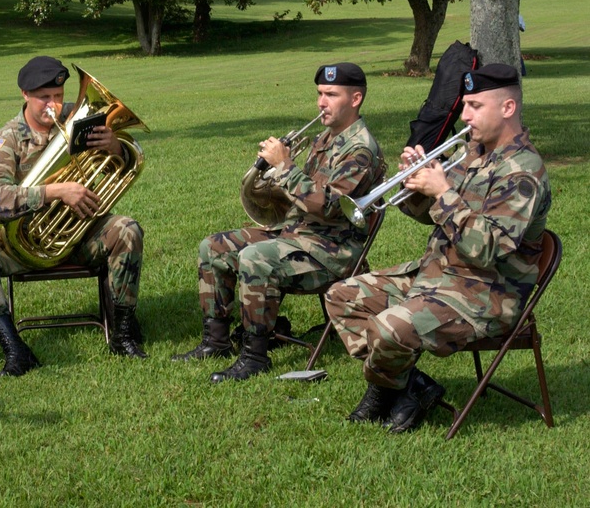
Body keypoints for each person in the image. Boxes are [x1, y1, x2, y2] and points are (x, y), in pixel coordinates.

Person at [325, 64, 551, 433]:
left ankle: (384, 393)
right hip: (439, 277)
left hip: (484, 294)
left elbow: (484, 250)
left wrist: (443, 191)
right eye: (465, 105)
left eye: (475, 106)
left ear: (507, 108)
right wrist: (414, 187)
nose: (464, 115)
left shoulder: (522, 174)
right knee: (342, 297)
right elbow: (432, 217)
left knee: (388, 328)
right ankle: (411, 385)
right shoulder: (473, 152)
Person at [174, 62, 386, 383]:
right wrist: (269, 183)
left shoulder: (360, 151)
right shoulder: (325, 138)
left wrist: (285, 167)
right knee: (213, 247)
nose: (321, 102)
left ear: (355, 99)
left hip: (330, 253)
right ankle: (215, 341)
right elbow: (300, 197)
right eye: (319, 94)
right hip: (296, 235)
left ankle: (255, 356)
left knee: (254, 258)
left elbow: (326, 206)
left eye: (331, 94)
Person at [0, 56, 147, 377]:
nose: (54, 105)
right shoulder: (7, 140)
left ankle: (122, 333)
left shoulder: (79, 118)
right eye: (44, 97)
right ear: (25, 94)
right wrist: (55, 192)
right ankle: (15, 349)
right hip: (25, 245)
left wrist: (116, 147)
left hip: (81, 232)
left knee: (127, 229)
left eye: (58, 97)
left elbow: (132, 155)